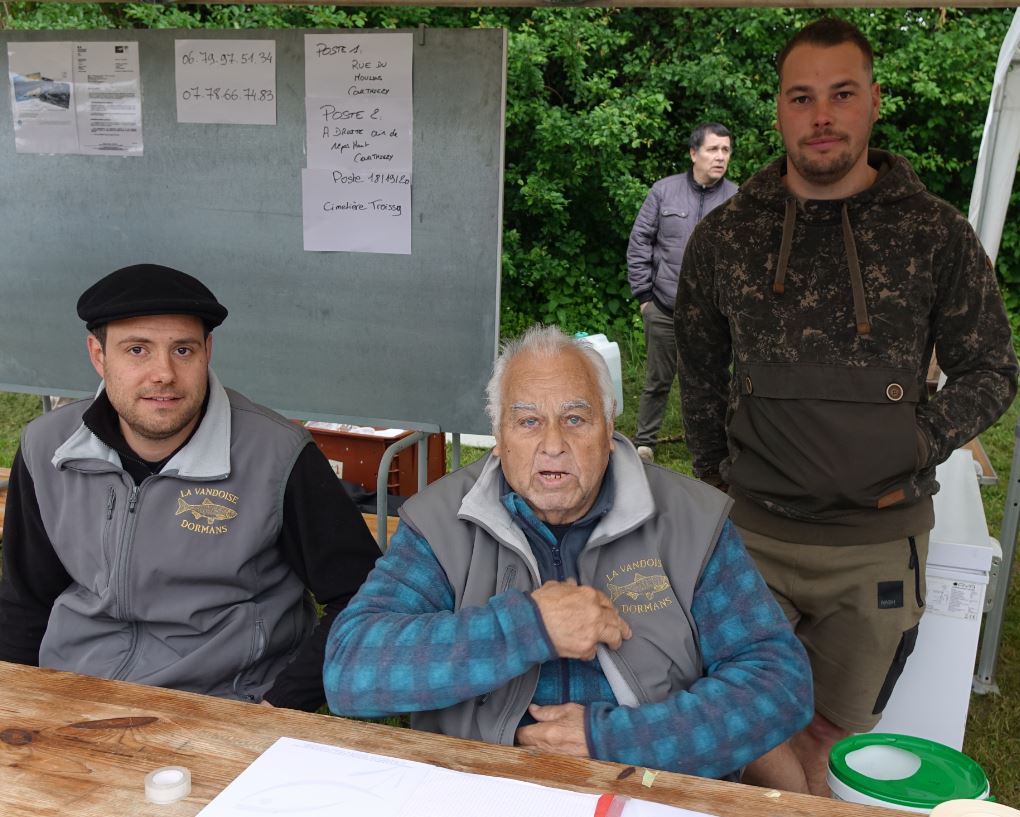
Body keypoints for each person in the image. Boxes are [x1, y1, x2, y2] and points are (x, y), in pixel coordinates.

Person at [674, 18, 1018, 795]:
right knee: (741, 717)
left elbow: (991, 367)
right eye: (803, 97)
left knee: (832, 730)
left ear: (874, 103)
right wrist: (718, 474)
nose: (822, 115)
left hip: (875, 548)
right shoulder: (727, 237)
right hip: (753, 536)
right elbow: (696, 366)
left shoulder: (934, 234)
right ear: (779, 112)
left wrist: (912, 438)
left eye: (841, 94)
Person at [323, 325, 812, 780]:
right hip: (484, 784)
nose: (552, 444)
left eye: (575, 419)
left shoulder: (690, 520)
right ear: (498, 438)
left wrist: (618, 740)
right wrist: (526, 628)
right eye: (528, 422)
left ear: (608, 427)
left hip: (645, 784)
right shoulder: (441, 522)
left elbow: (779, 683)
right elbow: (351, 670)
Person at [0, 264, 381, 711]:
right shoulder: (48, 447)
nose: (163, 373)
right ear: (98, 356)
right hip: (77, 691)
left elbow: (362, 595)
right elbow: (25, 597)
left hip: (223, 703)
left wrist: (280, 706)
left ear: (208, 352)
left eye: (183, 350)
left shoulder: (277, 455)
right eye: (137, 350)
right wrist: (16, 701)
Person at [627, 123, 738, 463]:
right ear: (694, 154)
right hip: (663, 305)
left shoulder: (736, 198)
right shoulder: (664, 191)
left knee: (711, 381)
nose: (720, 157)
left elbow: (743, 257)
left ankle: (714, 445)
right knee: (658, 379)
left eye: (726, 150)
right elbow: (639, 242)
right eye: (713, 149)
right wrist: (644, 296)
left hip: (711, 314)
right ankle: (644, 443)